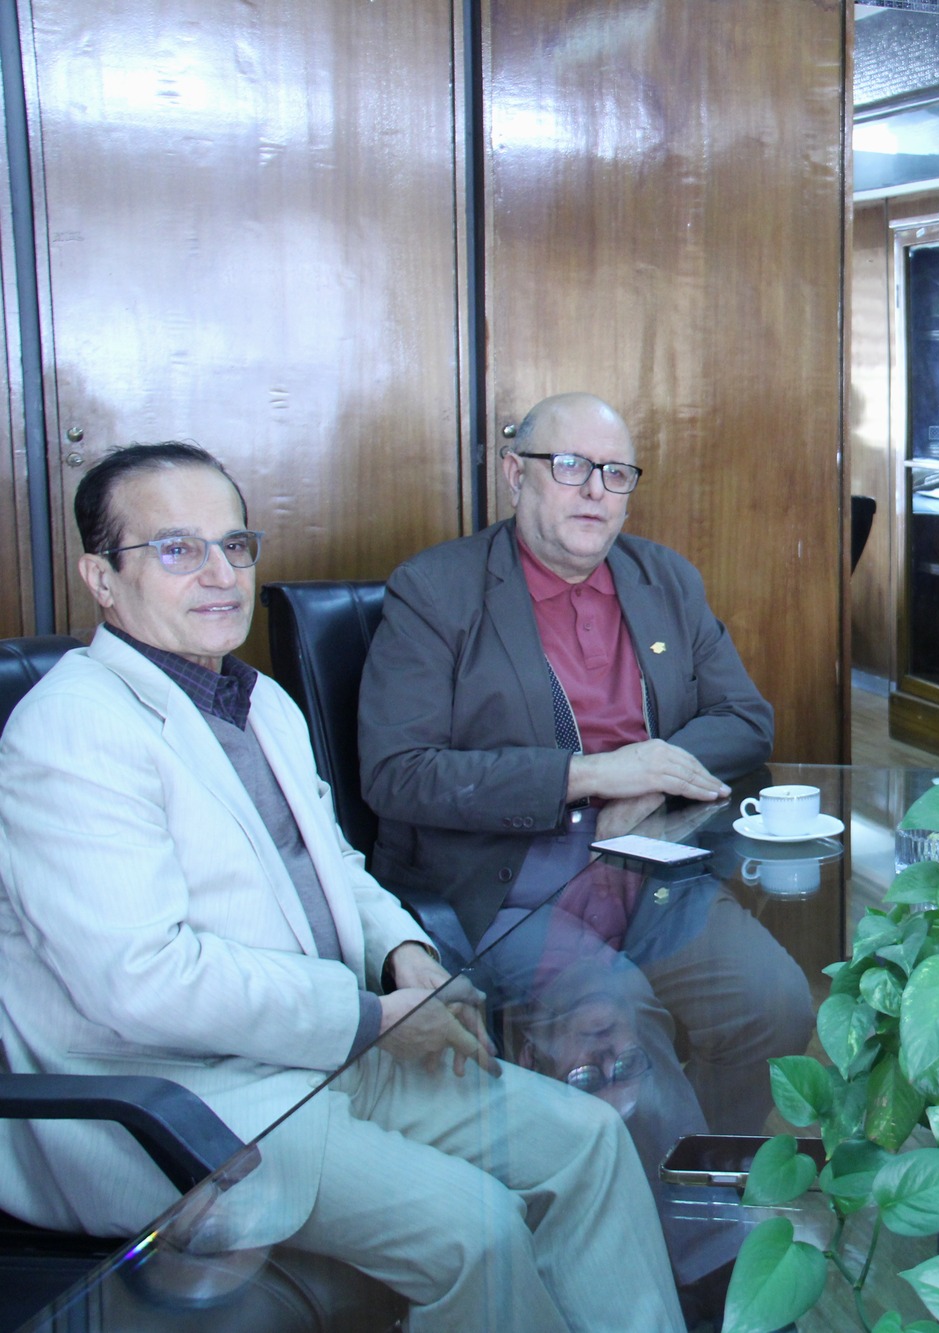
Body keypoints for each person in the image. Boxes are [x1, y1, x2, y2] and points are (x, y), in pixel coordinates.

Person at [0, 442, 678, 1331]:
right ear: (101, 577)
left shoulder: (258, 701)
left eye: (233, 545)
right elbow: (140, 978)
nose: (220, 574)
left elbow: (335, 869)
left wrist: (406, 955)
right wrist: (367, 1017)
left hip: (328, 1056)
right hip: (192, 1104)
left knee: (589, 1140)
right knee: (477, 1229)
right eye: (177, 549)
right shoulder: (72, 731)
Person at [358, 392, 812, 1135]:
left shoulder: (664, 579)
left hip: (650, 876)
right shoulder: (437, 591)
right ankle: (649, 1201)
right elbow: (398, 772)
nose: (596, 490)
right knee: (625, 1028)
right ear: (516, 474)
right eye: (570, 466)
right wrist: (593, 776)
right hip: (511, 890)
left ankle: (700, 1174)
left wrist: (652, 775)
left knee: (776, 1003)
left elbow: (745, 719)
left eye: (616, 473)